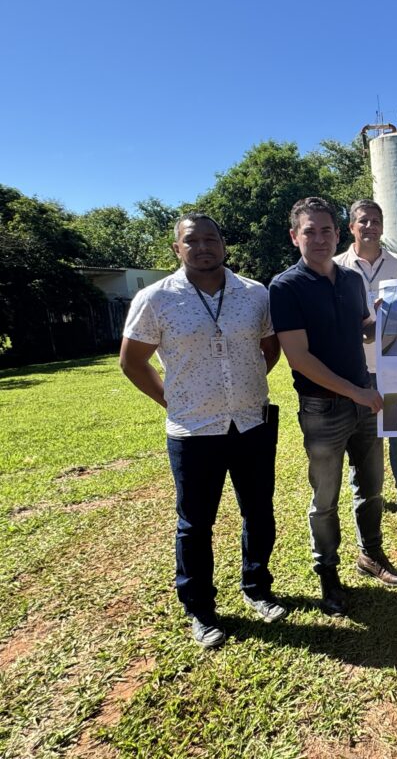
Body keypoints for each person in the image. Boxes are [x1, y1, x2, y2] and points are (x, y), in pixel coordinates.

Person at [120, 213, 285, 649]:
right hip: (193, 430)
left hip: (251, 421)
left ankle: (258, 589)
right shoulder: (156, 298)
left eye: (212, 238)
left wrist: (247, 382)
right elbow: (132, 361)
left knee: (259, 511)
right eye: (193, 240)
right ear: (178, 248)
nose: (204, 247)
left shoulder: (255, 294)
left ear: (224, 244)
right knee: (195, 524)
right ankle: (200, 609)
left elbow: (271, 348)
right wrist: (170, 399)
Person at [269, 196, 397, 618]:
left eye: (326, 230)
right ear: (295, 237)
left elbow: (361, 333)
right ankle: (328, 575)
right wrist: (358, 392)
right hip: (323, 408)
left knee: (371, 488)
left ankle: (371, 556)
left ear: (337, 233)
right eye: (309, 231)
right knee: (324, 499)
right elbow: (299, 358)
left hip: (363, 400)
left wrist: (386, 318)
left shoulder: (350, 280)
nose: (319, 238)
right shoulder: (285, 286)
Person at [334, 199, 397, 516]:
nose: (370, 226)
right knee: (361, 435)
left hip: (395, 362)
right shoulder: (336, 267)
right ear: (351, 227)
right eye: (363, 221)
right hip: (353, 366)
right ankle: (366, 493)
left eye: (376, 221)